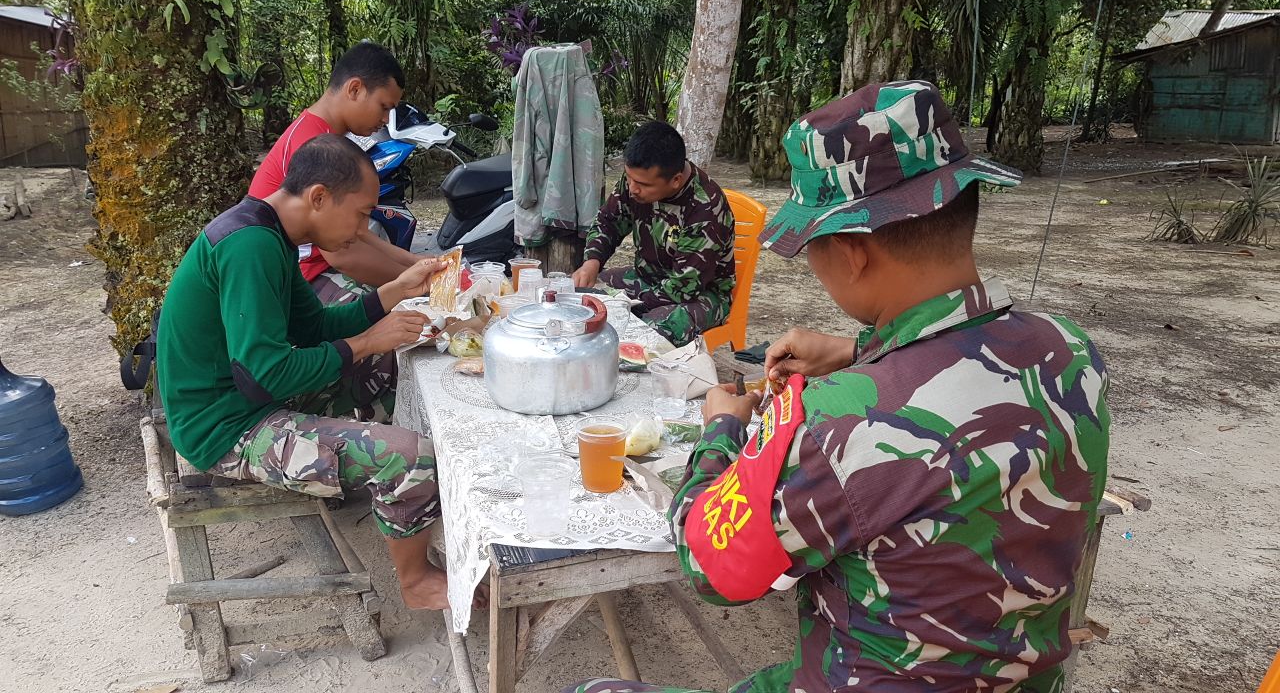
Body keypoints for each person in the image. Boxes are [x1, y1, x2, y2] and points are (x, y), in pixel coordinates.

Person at [569, 81, 1111, 692]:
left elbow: (712, 569)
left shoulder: (839, 422)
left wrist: (721, 426)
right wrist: (858, 350)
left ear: (852, 252)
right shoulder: (1071, 352)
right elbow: (959, 376)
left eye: (811, 248)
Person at [158, 134, 463, 610]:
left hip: (251, 399)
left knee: (391, 359)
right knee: (410, 457)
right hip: (223, 427)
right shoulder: (249, 246)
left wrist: (395, 291)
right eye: (362, 213)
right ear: (319, 197)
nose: (364, 228)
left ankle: (399, 497)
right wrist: (365, 341)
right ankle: (416, 579)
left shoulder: (271, 234)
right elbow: (264, 376)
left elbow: (314, 325)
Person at [249, 41, 427, 306]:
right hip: (299, 277)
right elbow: (343, 256)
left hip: (319, 269)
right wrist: (423, 284)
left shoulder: (331, 138)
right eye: (384, 107)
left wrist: (419, 264)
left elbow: (359, 234)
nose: (385, 119)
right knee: (397, 318)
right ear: (354, 89)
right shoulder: (313, 143)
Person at [571, 121, 735, 347]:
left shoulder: (705, 209)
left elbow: (682, 288)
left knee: (646, 332)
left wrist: (624, 306)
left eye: (641, 184)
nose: (632, 188)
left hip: (699, 296)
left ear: (676, 180)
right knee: (580, 298)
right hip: (646, 278)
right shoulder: (637, 181)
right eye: (628, 178)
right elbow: (608, 221)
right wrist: (592, 261)